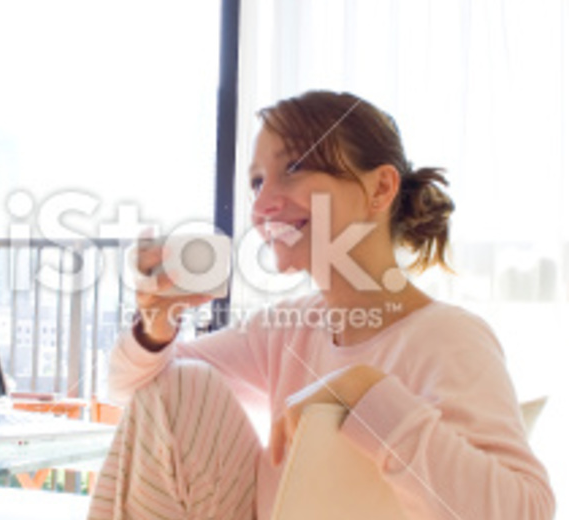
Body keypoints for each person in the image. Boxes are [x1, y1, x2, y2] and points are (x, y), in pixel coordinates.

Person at [87, 90, 555, 520]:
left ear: (380, 189)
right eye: (256, 182)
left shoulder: (448, 338)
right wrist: (157, 323)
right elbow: (140, 394)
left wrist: (362, 390)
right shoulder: (290, 327)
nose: (262, 205)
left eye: (293, 168)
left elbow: (527, 511)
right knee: (182, 383)